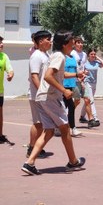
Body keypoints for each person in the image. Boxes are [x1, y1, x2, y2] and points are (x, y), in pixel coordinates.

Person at [21, 30, 86, 176]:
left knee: (49, 131)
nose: (74, 44)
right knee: (65, 128)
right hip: (51, 98)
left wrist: (76, 74)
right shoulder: (58, 56)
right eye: (72, 41)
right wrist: (64, 90)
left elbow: (58, 75)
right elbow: (48, 77)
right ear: (65, 44)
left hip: (44, 97)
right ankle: (73, 161)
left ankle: (29, 163)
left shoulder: (56, 56)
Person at [26, 30, 52, 157]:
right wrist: (42, 92)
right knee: (38, 123)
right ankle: (32, 148)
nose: (50, 42)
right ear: (41, 41)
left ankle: (36, 146)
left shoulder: (46, 55)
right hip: (37, 96)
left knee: (41, 123)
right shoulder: (36, 56)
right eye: (48, 39)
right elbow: (34, 76)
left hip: (43, 95)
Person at [81, 48, 103, 126]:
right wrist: (82, 82)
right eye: (91, 54)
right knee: (91, 100)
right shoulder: (85, 63)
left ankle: (82, 116)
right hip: (87, 83)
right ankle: (95, 118)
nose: (93, 55)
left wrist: (97, 58)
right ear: (88, 55)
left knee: (87, 101)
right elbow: (81, 73)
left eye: (94, 54)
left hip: (94, 83)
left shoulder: (96, 63)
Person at [63, 54, 83, 137]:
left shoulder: (73, 58)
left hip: (71, 84)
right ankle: (71, 128)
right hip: (63, 85)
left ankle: (72, 128)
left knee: (70, 106)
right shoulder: (62, 57)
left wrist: (79, 78)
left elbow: (76, 71)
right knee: (66, 107)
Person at [0, 36, 14, 144]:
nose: (1, 44)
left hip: (0, 91)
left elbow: (10, 69)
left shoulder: (4, 57)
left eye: (1, 42)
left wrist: (10, 75)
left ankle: (0, 135)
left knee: (0, 114)